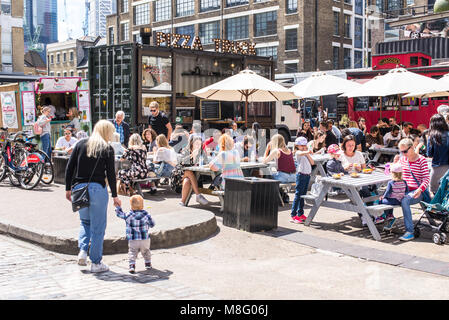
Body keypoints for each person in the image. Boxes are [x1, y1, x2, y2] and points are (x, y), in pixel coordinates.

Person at [65, 120, 120, 273]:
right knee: (98, 226)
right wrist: (115, 196)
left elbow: (70, 167)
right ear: (106, 132)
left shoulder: (80, 144)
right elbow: (110, 173)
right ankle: (96, 262)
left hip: (79, 188)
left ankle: (82, 251)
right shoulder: (107, 148)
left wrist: (68, 189)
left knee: (85, 222)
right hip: (97, 189)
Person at [393, 138, 431, 241]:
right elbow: (394, 175)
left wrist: (420, 189)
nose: (403, 154)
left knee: (405, 200)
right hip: (403, 189)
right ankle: (389, 218)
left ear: (412, 148)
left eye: (405, 151)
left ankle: (410, 231)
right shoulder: (402, 159)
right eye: (401, 151)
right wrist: (394, 164)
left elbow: (426, 178)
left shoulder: (421, 160)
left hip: (417, 191)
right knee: (387, 193)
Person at [115, 195, 155, 274]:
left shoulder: (128, 215)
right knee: (146, 251)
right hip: (145, 239)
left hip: (133, 239)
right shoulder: (146, 215)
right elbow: (152, 224)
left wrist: (118, 207)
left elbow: (119, 214)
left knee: (132, 252)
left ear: (131, 205)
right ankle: (147, 263)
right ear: (142, 205)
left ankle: (132, 266)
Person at [179, 136, 209, 206]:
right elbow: (181, 163)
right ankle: (198, 195)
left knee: (187, 180)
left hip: (194, 176)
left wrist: (206, 155)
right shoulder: (186, 151)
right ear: (192, 143)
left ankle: (182, 202)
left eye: (200, 143)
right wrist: (192, 156)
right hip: (180, 175)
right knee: (188, 171)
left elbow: (206, 162)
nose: (198, 145)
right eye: (196, 143)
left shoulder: (201, 152)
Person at [290, 136, 314, 224]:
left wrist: (307, 153)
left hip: (307, 175)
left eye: (304, 145)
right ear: (297, 146)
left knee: (303, 195)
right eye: (301, 145)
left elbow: (312, 162)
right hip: (301, 175)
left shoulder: (305, 153)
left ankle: (300, 213)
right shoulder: (298, 152)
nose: (303, 147)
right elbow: (300, 153)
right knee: (298, 194)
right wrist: (307, 151)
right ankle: (293, 215)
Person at [427, 113, 449, 194]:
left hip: (437, 167)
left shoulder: (432, 136)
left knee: (433, 190)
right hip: (448, 167)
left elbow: (429, 154)